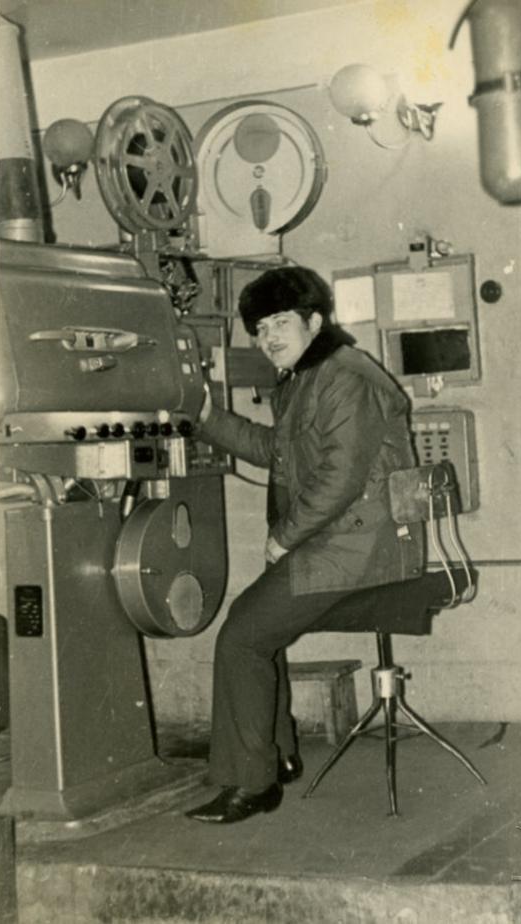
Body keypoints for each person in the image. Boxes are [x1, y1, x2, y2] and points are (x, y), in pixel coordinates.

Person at [186, 265, 424, 824]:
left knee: (242, 637)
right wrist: (204, 418)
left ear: (313, 321)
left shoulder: (343, 376)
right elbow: (277, 450)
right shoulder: (305, 378)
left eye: (281, 323)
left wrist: (283, 537)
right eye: (260, 327)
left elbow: (341, 475)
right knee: (253, 631)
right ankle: (279, 758)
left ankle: (253, 783)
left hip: (361, 548)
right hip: (340, 542)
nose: (269, 338)